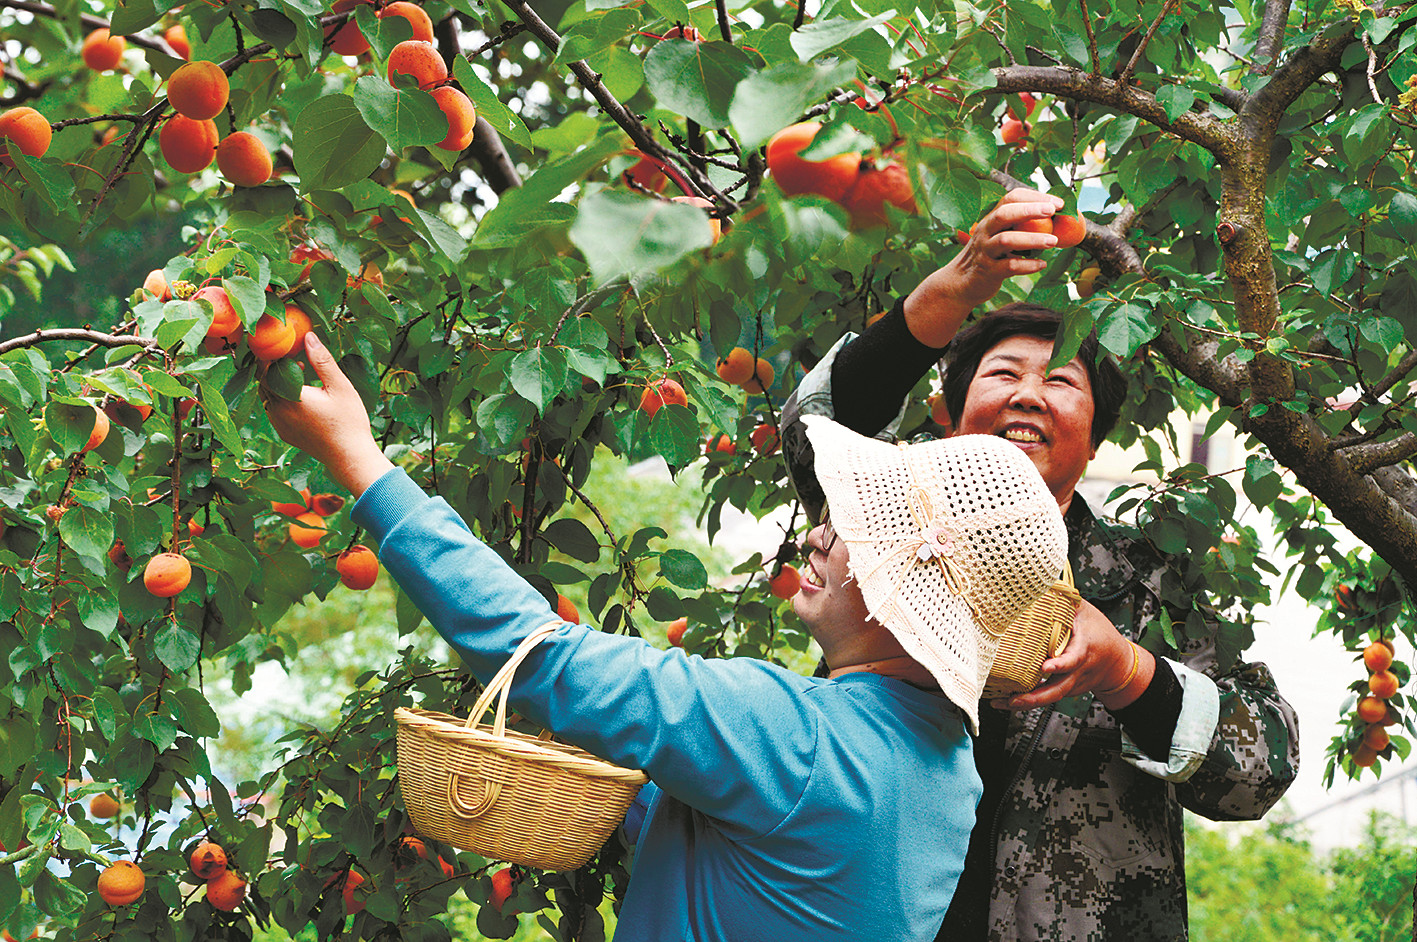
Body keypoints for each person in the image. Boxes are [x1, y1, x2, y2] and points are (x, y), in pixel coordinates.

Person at [264, 331, 1071, 940]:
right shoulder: (944, 767)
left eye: (856, 525)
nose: (819, 537)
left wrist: (359, 461)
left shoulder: (791, 735)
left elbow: (536, 656)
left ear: (906, 594)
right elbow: (748, 852)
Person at [779, 187, 1301, 941]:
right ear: (947, 417)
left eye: (1059, 381)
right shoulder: (884, 516)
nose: (1028, 393)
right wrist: (953, 289)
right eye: (1000, 375)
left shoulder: (1149, 576)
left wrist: (1128, 672)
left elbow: (1259, 771)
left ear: (1094, 440)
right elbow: (817, 433)